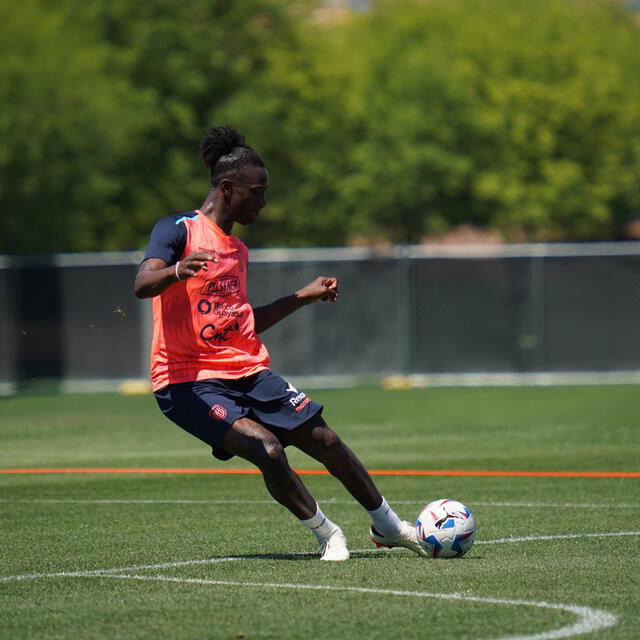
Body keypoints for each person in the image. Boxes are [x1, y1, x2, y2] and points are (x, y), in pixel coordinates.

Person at [134, 124, 425, 561]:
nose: (264, 203)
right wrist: (177, 271)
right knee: (266, 448)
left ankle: (388, 525)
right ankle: (328, 534)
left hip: (247, 371)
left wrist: (301, 298)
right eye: (258, 192)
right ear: (227, 188)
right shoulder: (177, 231)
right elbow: (141, 283)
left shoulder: (238, 249)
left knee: (325, 439)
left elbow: (242, 324)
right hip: (187, 382)